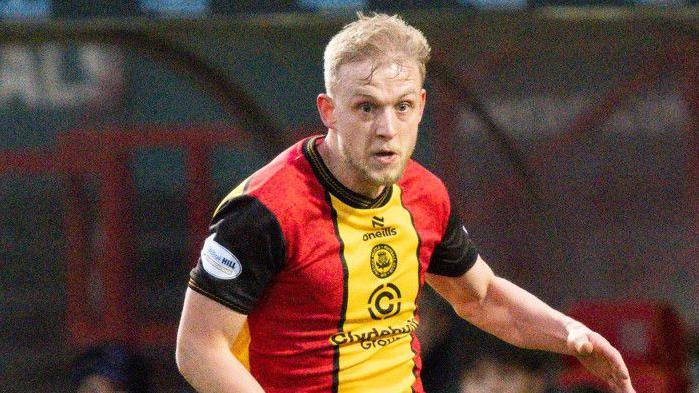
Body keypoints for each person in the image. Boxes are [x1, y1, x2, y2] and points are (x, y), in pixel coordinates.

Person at [175, 13, 635, 393]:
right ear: (329, 110)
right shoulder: (265, 211)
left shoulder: (424, 194)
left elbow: (482, 298)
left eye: (402, 106)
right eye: (366, 107)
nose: (387, 128)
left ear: (421, 105)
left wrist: (572, 335)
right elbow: (198, 347)